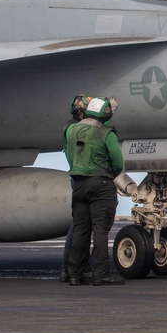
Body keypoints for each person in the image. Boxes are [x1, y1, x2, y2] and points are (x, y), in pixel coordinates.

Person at [64, 95, 126, 286]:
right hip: (101, 185)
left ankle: (74, 274)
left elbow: (68, 153)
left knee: (80, 230)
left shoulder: (71, 129)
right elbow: (117, 162)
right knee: (100, 229)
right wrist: (109, 175)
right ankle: (101, 274)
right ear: (106, 113)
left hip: (79, 184)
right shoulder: (107, 133)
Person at [59, 94, 90, 283]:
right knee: (80, 226)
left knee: (80, 225)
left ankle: (71, 267)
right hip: (81, 179)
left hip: (79, 178)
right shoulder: (74, 129)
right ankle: (71, 267)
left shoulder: (70, 127)